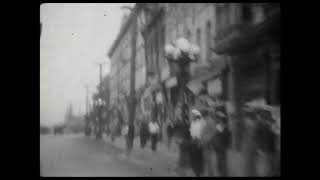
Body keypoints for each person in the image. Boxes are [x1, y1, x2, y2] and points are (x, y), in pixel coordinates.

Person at [212, 109, 231, 177]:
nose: (218, 120)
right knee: (221, 160)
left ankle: (222, 173)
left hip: (220, 147)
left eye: (219, 119)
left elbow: (227, 138)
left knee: (221, 160)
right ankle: (222, 172)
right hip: (220, 147)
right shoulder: (221, 128)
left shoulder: (221, 128)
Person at [189, 109, 206, 177]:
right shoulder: (193, 122)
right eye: (193, 115)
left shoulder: (202, 122)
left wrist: (200, 139)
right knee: (193, 156)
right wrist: (192, 138)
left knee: (199, 157)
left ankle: (199, 171)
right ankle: (195, 170)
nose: (193, 116)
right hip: (193, 140)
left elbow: (203, 131)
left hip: (199, 140)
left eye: (194, 115)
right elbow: (191, 131)